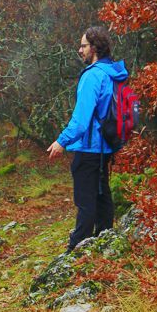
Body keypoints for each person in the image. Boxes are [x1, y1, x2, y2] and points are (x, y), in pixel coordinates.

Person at [47, 26, 129, 253]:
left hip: (90, 148)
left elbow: (81, 120)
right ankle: (104, 241)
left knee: (85, 201)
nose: (80, 50)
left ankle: (76, 251)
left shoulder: (93, 76)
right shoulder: (113, 73)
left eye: (83, 45)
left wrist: (62, 141)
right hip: (107, 146)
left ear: (94, 48)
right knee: (102, 195)